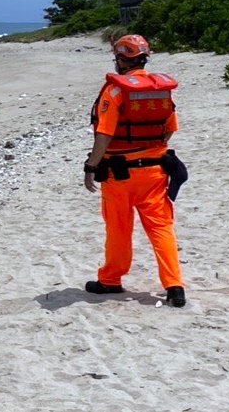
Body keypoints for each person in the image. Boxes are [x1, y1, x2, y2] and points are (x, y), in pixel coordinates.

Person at [83, 34, 188, 307]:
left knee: (118, 228)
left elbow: (104, 135)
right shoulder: (160, 91)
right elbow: (169, 130)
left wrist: (90, 166)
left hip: (119, 175)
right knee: (161, 227)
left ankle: (111, 279)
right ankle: (174, 285)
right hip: (156, 172)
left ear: (121, 59)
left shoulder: (115, 91)